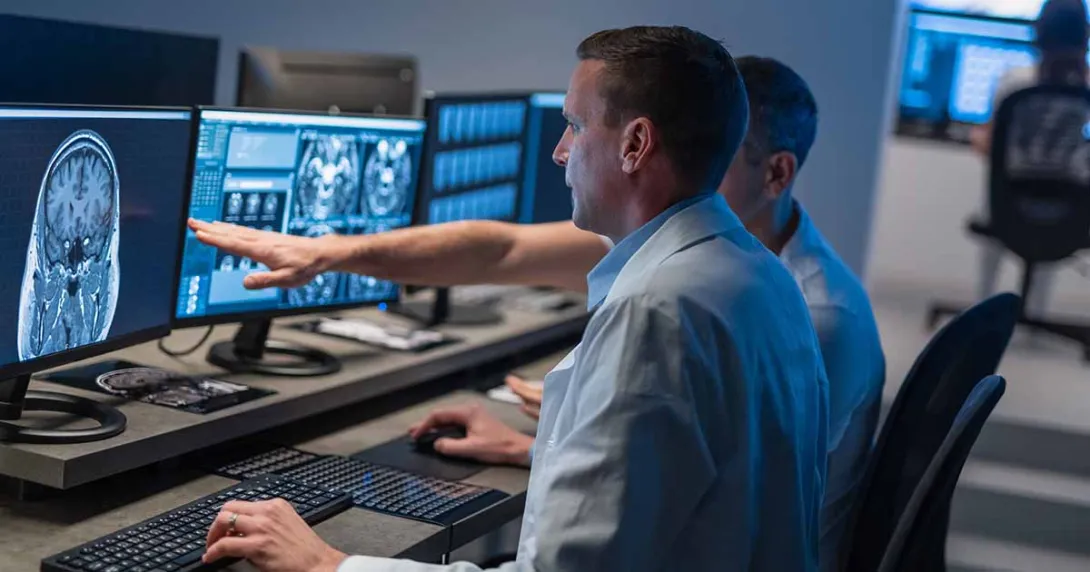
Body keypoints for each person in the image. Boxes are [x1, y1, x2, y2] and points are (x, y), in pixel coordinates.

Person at [196, 25, 829, 571]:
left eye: (574, 127)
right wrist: (545, 446)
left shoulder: (659, 310)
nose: (559, 151)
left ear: (635, 144)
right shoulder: (756, 273)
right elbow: (690, 477)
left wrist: (331, 562)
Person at [970, 0, 1090, 317]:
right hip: (1071, 213)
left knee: (1001, 199)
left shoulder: (1014, 81)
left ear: (1038, 32)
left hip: (1008, 205)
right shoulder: (1086, 88)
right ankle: (1036, 310)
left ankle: (981, 303)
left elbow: (988, 145)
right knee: (1059, 201)